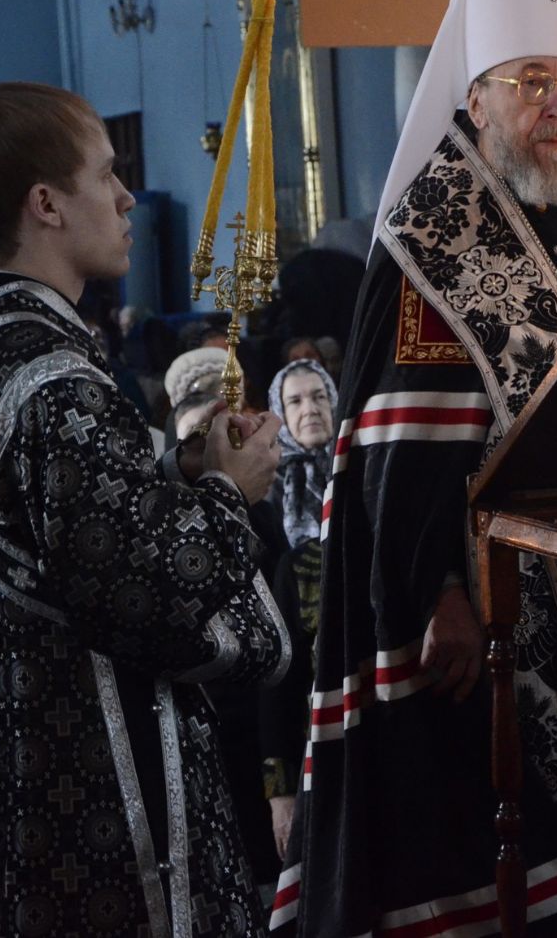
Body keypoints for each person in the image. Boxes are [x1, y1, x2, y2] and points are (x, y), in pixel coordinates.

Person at [273, 0, 557, 936]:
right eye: (531, 81)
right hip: (492, 591)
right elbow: (402, 440)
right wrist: (436, 594)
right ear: (477, 97)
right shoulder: (431, 235)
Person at [0, 82, 289, 935]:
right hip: (77, 772)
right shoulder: (55, 376)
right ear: (46, 204)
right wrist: (232, 491)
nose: (125, 199)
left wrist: (183, 462)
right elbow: (144, 594)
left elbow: (50, 515)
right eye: (106, 175)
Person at [259, 359, 338, 860]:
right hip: (295, 666)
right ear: (279, 412)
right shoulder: (265, 488)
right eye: (295, 400)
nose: (310, 409)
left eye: (319, 396)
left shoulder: (359, 472)